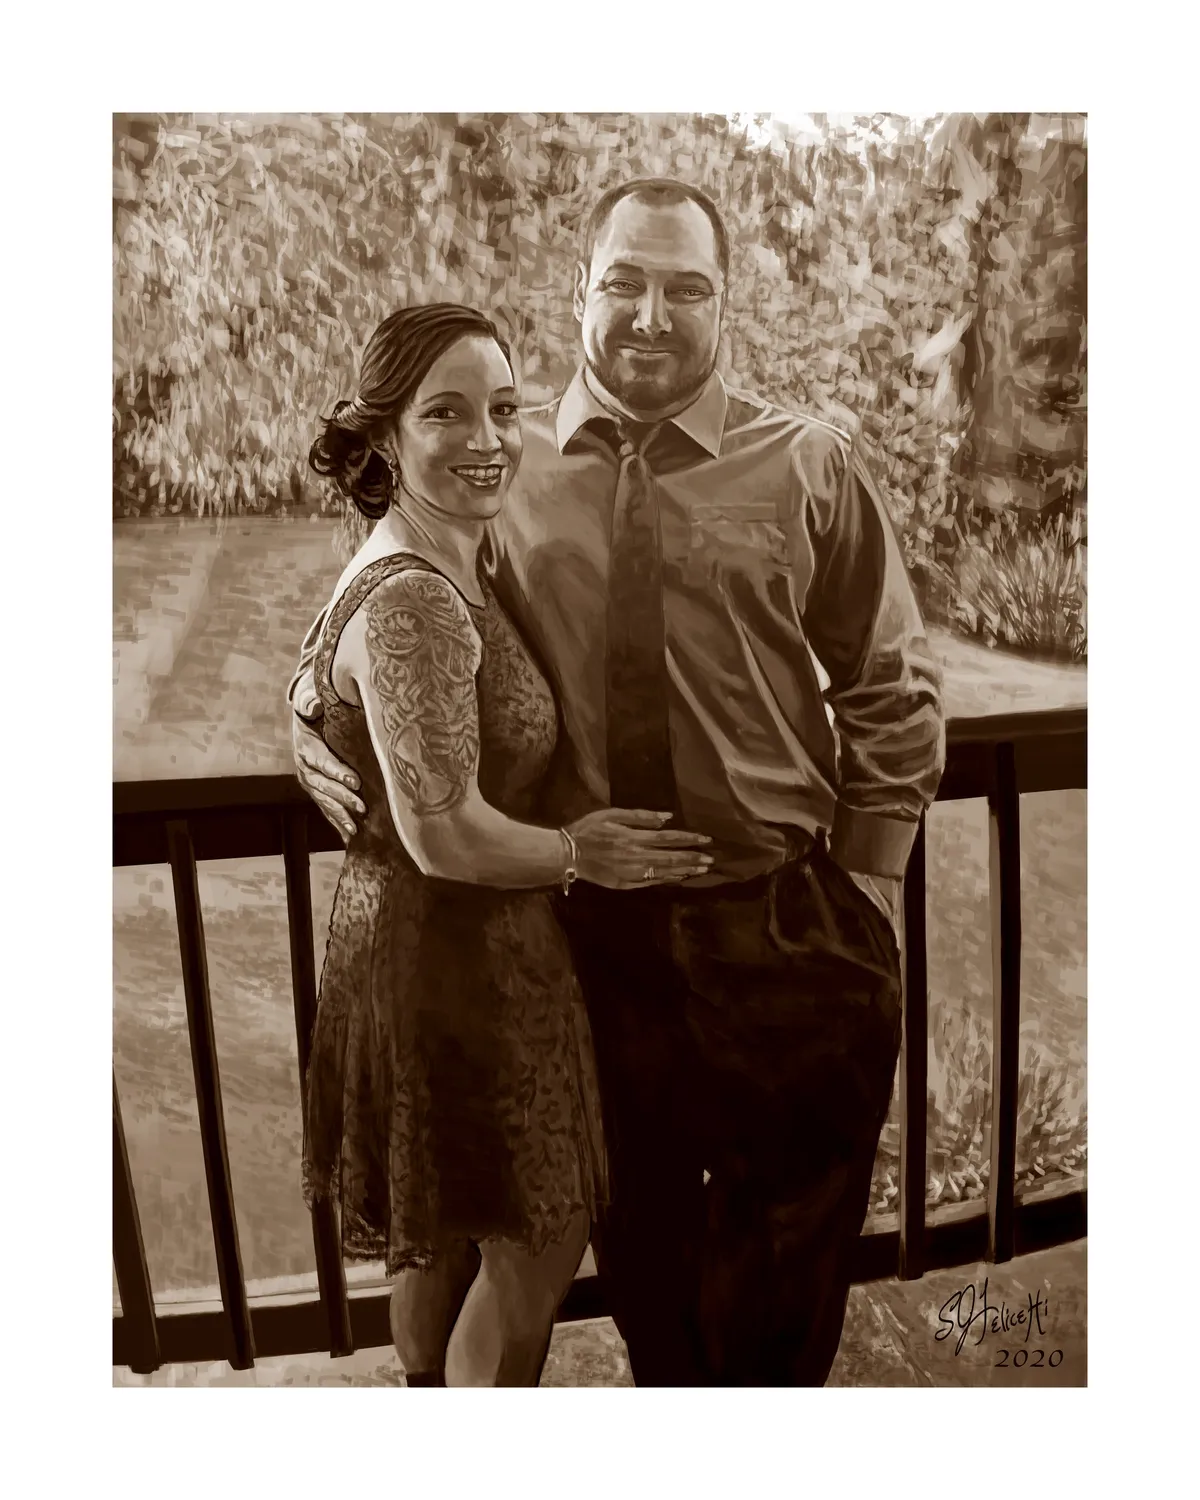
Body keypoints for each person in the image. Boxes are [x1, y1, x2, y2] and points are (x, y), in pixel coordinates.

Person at [292, 180, 946, 1386]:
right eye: (625, 283)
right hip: (595, 951)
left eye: (686, 287)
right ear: (580, 292)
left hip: (785, 931)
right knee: (652, 1281)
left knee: (785, 1296)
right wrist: (308, 707)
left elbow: (891, 682)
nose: (652, 314)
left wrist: (864, 887)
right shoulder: (506, 460)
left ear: (724, 302)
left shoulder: (810, 463)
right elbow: (392, 585)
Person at [297, 302, 713, 1388]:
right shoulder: (419, 599)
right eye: (446, 413)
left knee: (446, 1227)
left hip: (436, 950)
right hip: (455, 958)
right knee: (536, 1241)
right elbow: (442, 833)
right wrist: (582, 855)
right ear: (387, 437)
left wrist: (302, 705)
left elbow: (337, 671)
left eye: (503, 408)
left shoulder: (438, 555)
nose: (486, 439)